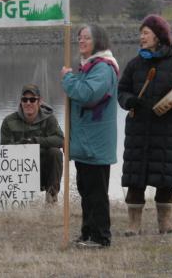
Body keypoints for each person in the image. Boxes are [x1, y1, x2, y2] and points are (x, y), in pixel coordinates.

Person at [118, 15, 172, 236]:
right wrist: (128, 101)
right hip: (138, 130)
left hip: (167, 131)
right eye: (140, 33)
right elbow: (122, 91)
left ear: (158, 36)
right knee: (135, 179)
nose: (141, 37)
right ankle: (134, 224)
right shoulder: (134, 64)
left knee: (165, 179)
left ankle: (165, 223)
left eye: (145, 33)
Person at [61, 24, 119, 248]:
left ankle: (100, 236)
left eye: (87, 38)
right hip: (85, 142)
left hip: (96, 142)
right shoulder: (88, 67)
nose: (81, 41)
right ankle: (87, 233)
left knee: (96, 193)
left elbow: (87, 95)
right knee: (86, 190)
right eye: (79, 38)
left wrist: (68, 79)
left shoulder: (103, 69)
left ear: (98, 41)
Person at [0, 84, 64, 204]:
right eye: (25, 99)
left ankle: (51, 199)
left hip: (43, 170)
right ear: (21, 101)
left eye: (32, 99)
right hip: (20, 170)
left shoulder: (49, 119)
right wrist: (24, 147)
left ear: (39, 101)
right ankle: (14, 203)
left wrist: (36, 142)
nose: (28, 103)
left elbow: (60, 139)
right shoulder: (8, 121)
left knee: (55, 153)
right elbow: (3, 150)